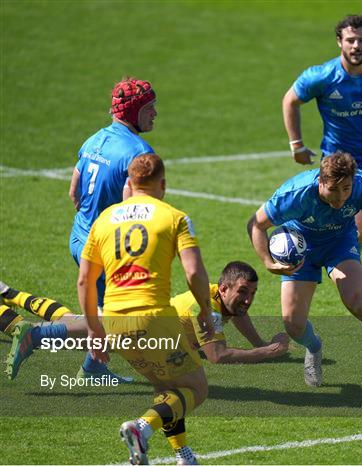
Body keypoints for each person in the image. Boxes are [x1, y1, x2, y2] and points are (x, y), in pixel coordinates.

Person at [247, 151, 362, 391]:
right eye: (333, 190)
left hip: (339, 243)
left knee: (357, 301)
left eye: (346, 189)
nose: (340, 197)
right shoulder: (294, 194)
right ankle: (314, 348)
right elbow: (256, 224)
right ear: (320, 181)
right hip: (301, 250)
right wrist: (269, 263)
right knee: (293, 325)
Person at [78, 154, 214, 465]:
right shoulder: (174, 217)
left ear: (130, 183)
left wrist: (93, 329)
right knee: (196, 388)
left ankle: (182, 453)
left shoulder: (104, 219)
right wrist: (205, 310)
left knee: (166, 388)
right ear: (163, 184)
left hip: (113, 322)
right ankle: (141, 429)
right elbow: (193, 272)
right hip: (153, 317)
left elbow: (85, 279)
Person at [282, 14, 362, 312]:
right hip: (337, 169)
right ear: (340, 42)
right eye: (350, 40)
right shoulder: (323, 76)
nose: (356, 46)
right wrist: (296, 145)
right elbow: (290, 100)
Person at [2, 262, 289, 378]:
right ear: (224, 288)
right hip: (139, 324)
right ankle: (32, 333)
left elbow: (239, 314)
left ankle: (11, 298)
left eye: (252, 293)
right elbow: (218, 355)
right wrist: (266, 352)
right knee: (88, 329)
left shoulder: (218, 294)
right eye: (243, 292)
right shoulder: (207, 309)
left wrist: (260, 342)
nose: (248, 300)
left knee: (80, 324)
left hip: (147, 328)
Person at [68, 76, 158, 382]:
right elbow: (136, 208)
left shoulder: (93, 140)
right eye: (150, 109)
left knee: (111, 312)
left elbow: (74, 193)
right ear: (134, 113)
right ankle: (36, 334)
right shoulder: (138, 152)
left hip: (80, 239)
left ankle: (94, 368)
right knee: (127, 317)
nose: (155, 114)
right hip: (106, 252)